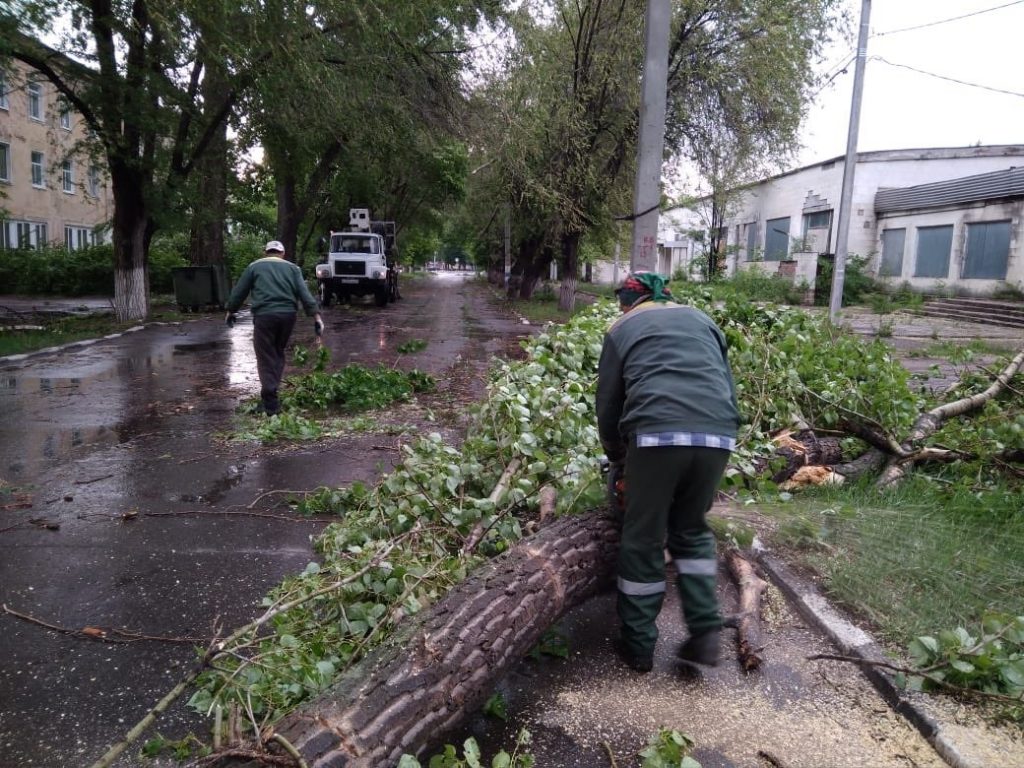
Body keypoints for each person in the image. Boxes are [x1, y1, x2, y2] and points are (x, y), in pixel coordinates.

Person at [596, 271, 739, 672]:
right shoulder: (702, 319)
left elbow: (608, 403)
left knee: (642, 536)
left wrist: (617, 458)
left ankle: (639, 646)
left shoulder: (622, 326)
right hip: (719, 434)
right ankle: (706, 629)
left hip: (656, 433)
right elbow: (727, 385)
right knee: (691, 529)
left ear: (627, 300)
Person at [225, 240, 323, 416]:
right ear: (282, 253)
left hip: (265, 316)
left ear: (266, 252)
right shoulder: (293, 269)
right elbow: (304, 293)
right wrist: (316, 317)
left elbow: (240, 291)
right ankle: (272, 393)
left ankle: (270, 402)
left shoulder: (254, 267)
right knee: (277, 351)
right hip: (288, 316)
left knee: (265, 355)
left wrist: (231, 311)